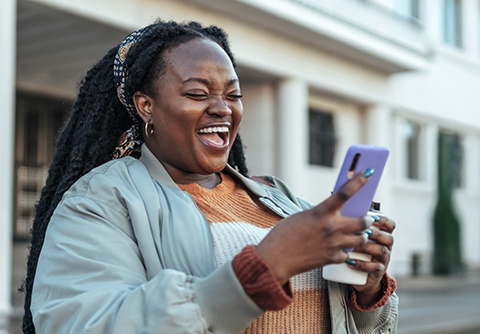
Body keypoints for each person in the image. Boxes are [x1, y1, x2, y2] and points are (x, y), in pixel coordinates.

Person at [22, 21, 398, 333]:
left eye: (232, 95)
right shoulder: (99, 200)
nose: (221, 108)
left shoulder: (276, 196)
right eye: (197, 93)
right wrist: (262, 268)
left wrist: (368, 293)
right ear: (146, 105)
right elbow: (85, 324)